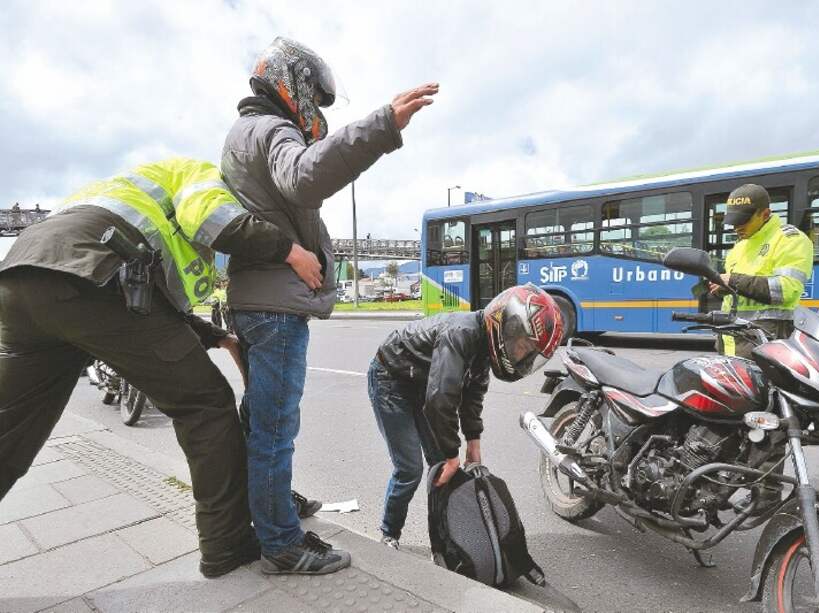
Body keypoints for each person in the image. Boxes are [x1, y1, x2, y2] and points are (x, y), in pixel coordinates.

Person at [0, 158, 324, 578]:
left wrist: (219, 337)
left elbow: (160, 310)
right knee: (205, 406)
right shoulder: (202, 173)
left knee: (9, 432)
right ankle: (227, 546)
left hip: (22, 279)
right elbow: (211, 217)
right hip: (100, 278)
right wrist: (290, 250)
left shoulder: (123, 189)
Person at [220, 36, 438, 575]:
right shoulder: (272, 129)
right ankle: (280, 544)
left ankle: (266, 511)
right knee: (274, 430)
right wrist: (382, 125)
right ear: (291, 84)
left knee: (259, 423)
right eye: (312, 100)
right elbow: (306, 175)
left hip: (261, 301)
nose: (314, 114)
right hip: (275, 307)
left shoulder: (246, 132)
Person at [368, 284, 564, 549]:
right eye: (522, 345)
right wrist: (452, 454)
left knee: (442, 466)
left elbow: (471, 398)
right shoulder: (461, 334)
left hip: (423, 382)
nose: (521, 354)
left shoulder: (483, 348)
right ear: (507, 326)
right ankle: (389, 534)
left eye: (528, 351)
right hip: (391, 378)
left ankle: (445, 542)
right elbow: (441, 399)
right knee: (410, 469)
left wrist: (473, 444)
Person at [710, 183, 814, 359]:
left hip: (766, 344)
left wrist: (733, 281)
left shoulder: (790, 239)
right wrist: (722, 289)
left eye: (744, 220)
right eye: (734, 221)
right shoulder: (740, 245)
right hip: (732, 341)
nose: (737, 227)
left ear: (765, 214)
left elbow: (785, 290)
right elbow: (739, 293)